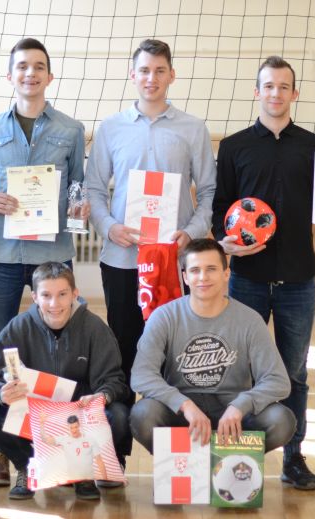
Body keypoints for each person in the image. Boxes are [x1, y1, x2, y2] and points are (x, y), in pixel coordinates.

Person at [212, 56, 315, 490]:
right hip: (247, 277)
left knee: (294, 373)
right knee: (241, 371)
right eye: (268, 85)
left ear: (294, 93)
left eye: (284, 86)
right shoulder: (234, 146)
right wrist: (224, 242)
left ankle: (294, 458)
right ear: (257, 92)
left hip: (299, 279)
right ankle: (236, 457)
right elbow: (220, 206)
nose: (276, 93)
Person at [0, 37, 86, 486]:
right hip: (2, 254)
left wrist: (78, 209)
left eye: (38, 66)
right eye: (22, 66)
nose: (30, 73)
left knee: (58, 351)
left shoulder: (70, 129)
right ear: (10, 75)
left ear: (49, 76)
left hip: (52, 255)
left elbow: (77, 186)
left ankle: (55, 447)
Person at [85, 38, 216, 396]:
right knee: (124, 353)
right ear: (132, 75)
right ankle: (125, 431)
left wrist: (191, 232)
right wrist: (109, 228)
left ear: (172, 75)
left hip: (175, 261)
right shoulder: (111, 128)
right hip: (123, 259)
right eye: (144, 70)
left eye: (159, 71)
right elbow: (94, 189)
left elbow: (209, 192)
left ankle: (173, 431)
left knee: (177, 355)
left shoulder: (193, 128)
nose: (151, 78)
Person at [0, 262, 131, 501]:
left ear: (74, 294)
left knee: (118, 414)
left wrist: (103, 395)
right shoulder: (17, 328)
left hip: (78, 419)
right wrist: (1, 393)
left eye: (62, 294)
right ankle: (29, 467)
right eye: (46, 295)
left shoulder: (94, 328)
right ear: (35, 297)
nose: (54, 304)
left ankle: (83, 473)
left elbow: (115, 381)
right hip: (35, 418)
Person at [130, 239, 296, 456]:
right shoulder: (164, 317)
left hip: (233, 414)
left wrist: (240, 406)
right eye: (195, 270)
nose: (203, 277)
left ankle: (230, 463)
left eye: (211, 269)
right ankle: (181, 464)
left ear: (226, 274)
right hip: (183, 413)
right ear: (185, 277)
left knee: (281, 420)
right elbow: (141, 375)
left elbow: (278, 380)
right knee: (143, 414)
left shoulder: (250, 320)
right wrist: (185, 405)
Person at [39, 414, 107, 482]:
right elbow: (45, 440)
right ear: (67, 427)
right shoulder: (64, 439)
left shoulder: (90, 439)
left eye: (76, 427)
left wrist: (105, 480)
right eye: (71, 428)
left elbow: (99, 461)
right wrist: (42, 424)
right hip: (73, 481)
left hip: (89, 480)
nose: (74, 430)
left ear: (79, 425)